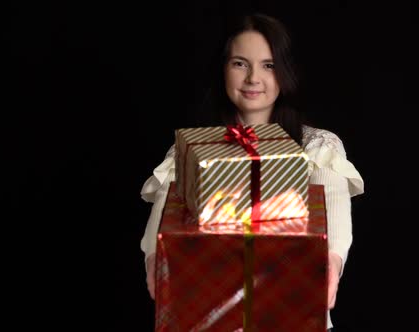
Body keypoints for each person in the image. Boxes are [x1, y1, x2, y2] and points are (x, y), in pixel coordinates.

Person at [139, 13, 364, 331]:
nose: (253, 79)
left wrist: (330, 265)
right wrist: (155, 261)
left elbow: (333, 218)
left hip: (294, 315)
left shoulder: (317, 146)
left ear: (284, 72)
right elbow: (163, 222)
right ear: (223, 70)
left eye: (268, 65)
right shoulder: (190, 151)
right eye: (240, 64)